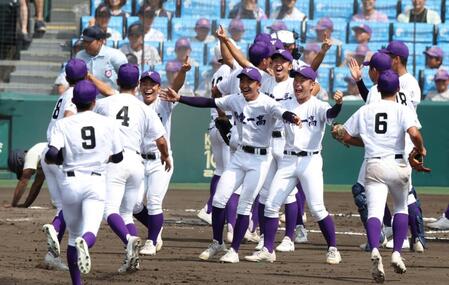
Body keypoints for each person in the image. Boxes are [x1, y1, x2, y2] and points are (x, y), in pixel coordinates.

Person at [160, 67, 301, 263]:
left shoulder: (267, 103)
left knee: (244, 205)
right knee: (218, 199)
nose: (244, 85)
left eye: (249, 81)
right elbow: (209, 102)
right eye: (242, 81)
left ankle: (234, 251)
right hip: (239, 156)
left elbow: (282, 112)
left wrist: (292, 117)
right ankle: (218, 243)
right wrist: (180, 98)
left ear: (258, 84)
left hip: (260, 160)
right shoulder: (235, 99)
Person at [245, 66, 343, 265]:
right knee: (271, 205)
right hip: (288, 159)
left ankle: (333, 248)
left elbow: (332, 113)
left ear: (312, 85)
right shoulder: (286, 104)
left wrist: (339, 104)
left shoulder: (318, 105)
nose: (298, 84)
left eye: (303, 81)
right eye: (296, 80)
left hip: (311, 160)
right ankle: (268, 249)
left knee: (317, 209)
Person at [340, 70, 426, 283]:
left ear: (378, 88)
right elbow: (414, 134)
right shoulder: (402, 109)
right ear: (397, 89)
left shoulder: (366, 110)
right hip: (397, 163)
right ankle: (397, 252)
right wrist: (420, 149)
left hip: (374, 164)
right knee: (400, 208)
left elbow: (346, 135)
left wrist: (344, 135)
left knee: (374, 212)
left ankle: (375, 250)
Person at [45, 80, 124, 285]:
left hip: (70, 182)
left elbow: (51, 154)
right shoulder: (108, 123)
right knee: (89, 233)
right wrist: (105, 158)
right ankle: (85, 244)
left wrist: (61, 159)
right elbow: (118, 157)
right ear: (94, 101)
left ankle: (77, 283)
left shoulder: (63, 124)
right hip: (95, 181)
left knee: (72, 237)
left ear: (74, 101)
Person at [94, 63, 170, 273]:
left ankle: (129, 239)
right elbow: (161, 140)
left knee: (109, 211)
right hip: (137, 162)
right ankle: (132, 257)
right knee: (127, 214)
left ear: (118, 82)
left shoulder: (104, 104)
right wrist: (166, 156)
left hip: (116, 161)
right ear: (137, 84)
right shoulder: (144, 109)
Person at [133, 59, 191, 256]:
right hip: (139, 160)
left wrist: (182, 71)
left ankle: (151, 240)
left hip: (160, 160)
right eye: (145, 83)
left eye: (152, 84)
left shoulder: (163, 103)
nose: (148, 87)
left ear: (158, 87)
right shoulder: (134, 104)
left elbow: (176, 86)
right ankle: (156, 227)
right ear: (139, 86)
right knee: (133, 204)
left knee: (154, 201)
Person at [76, 25, 128, 90]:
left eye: (89, 42)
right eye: (84, 41)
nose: (85, 44)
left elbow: (127, 79)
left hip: (111, 98)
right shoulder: (79, 56)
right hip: (87, 98)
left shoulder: (115, 56)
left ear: (100, 41)